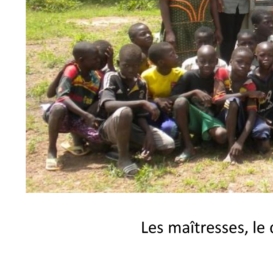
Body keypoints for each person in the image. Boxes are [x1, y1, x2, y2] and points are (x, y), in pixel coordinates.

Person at [98, 44, 177, 177]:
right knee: (125, 112)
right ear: (118, 63)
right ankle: (123, 159)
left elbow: (140, 114)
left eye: (134, 66)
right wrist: (142, 102)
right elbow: (108, 105)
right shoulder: (112, 77)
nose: (130, 69)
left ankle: (122, 149)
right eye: (126, 65)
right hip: (109, 128)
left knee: (168, 146)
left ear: (140, 64)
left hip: (131, 127)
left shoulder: (141, 83)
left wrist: (148, 133)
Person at [43, 42, 103, 171]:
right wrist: (86, 115)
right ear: (81, 60)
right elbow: (60, 97)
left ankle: (77, 139)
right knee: (59, 108)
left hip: (79, 120)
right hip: (63, 118)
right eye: (95, 58)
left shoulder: (97, 76)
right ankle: (52, 150)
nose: (99, 60)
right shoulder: (72, 70)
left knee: (100, 145)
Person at [171, 45, 230, 162]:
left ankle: (204, 139)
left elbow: (224, 99)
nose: (207, 65)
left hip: (209, 119)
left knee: (222, 136)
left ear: (216, 62)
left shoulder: (218, 78)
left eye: (211, 62)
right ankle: (188, 146)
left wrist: (216, 99)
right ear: (197, 62)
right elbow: (172, 98)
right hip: (193, 118)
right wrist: (194, 92)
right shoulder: (189, 76)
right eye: (203, 61)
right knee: (180, 102)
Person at [218, 47, 268, 163]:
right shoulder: (223, 73)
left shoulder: (249, 84)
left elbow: (252, 115)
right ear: (231, 62)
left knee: (265, 142)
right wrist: (246, 94)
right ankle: (230, 147)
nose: (243, 66)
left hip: (241, 119)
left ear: (250, 66)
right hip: (222, 117)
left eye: (247, 63)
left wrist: (240, 142)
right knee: (233, 101)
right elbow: (217, 99)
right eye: (239, 62)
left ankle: (243, 142)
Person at [141, 42, 183, 139]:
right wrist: (157, 100)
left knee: (169, 128)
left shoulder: (181, 74)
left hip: (174, 111)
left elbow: (183, 96)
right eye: (172, 55)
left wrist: (168, 100)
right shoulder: (146, 76)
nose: (176, 56)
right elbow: (144, 99)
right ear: (161, 62)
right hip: (155, 111)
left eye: (175, 53)